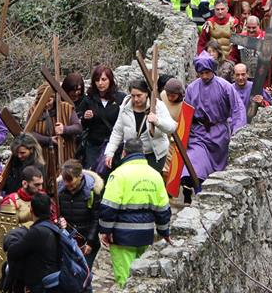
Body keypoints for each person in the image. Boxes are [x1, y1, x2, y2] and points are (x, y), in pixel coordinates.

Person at [99, 138, 172, 287]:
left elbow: (108, 207)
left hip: (121, 236)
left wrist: (105, 231)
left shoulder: (119, 175)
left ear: (124, 153)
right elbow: (163, 209)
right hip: (146, 234)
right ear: (143, 153)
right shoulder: (155, 175)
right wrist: (164, 232)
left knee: (125, 280)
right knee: (142, 279)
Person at [181, 53, 246, 198]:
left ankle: (209, 195)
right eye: (201, 73)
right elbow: (186, 114)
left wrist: (238, 130)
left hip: (219, 134)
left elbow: (238, 109)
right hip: (198, 134)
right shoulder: (192, 89)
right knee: (196, 163)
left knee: (216, 172)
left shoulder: (225, 86)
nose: (204, 76)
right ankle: (197, 192)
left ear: (213, 71)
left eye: (207, 72)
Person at [105, 79, 177, 173]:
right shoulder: (125, 107)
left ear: (146, 93)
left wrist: (157, 121)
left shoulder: (158, 106)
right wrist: (109, 153)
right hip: (132, 154)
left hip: (154, 154)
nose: (135, 99)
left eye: (139, 95)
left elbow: (172, 127)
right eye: (133, 96)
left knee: (149, 183)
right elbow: (117, 132)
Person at [29, 83, 83, 195]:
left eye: (50, 100)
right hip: (43, 156)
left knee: (64, 182)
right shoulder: (34, 111)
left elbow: (78, 127)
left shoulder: (66, 108)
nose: (47, 103)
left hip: (64, 153)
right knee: (43, 184)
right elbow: (29, 132)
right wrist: (48, 140)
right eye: (45, 100)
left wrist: (65, 129)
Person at [5, 193, 63, 293]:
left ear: (31, 210)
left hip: (41, 285)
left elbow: (13, 252)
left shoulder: (37, 232)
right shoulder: (53, 227)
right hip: (52, 281)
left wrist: (11, 237)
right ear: (50, 209)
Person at [56, 159, 104, 275]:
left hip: (86, 239)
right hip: (67, 240)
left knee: (84, 274)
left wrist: (90, 242)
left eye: (70, 180)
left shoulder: (92, 191)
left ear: (80, 176)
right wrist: (59, 221)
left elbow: (96, 218)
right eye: (65, 180)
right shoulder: (60, 190)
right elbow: (57, 212)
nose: (67, 183)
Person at [78, 64, 125, 174]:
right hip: (93, 145)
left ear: (110, 80)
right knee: (92, 174)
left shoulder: (120, 99)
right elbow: (81, 125)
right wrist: (85, 118)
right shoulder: (88, 99)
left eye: (104, 79)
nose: (100, 83)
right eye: (97, 80)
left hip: (114, 145)